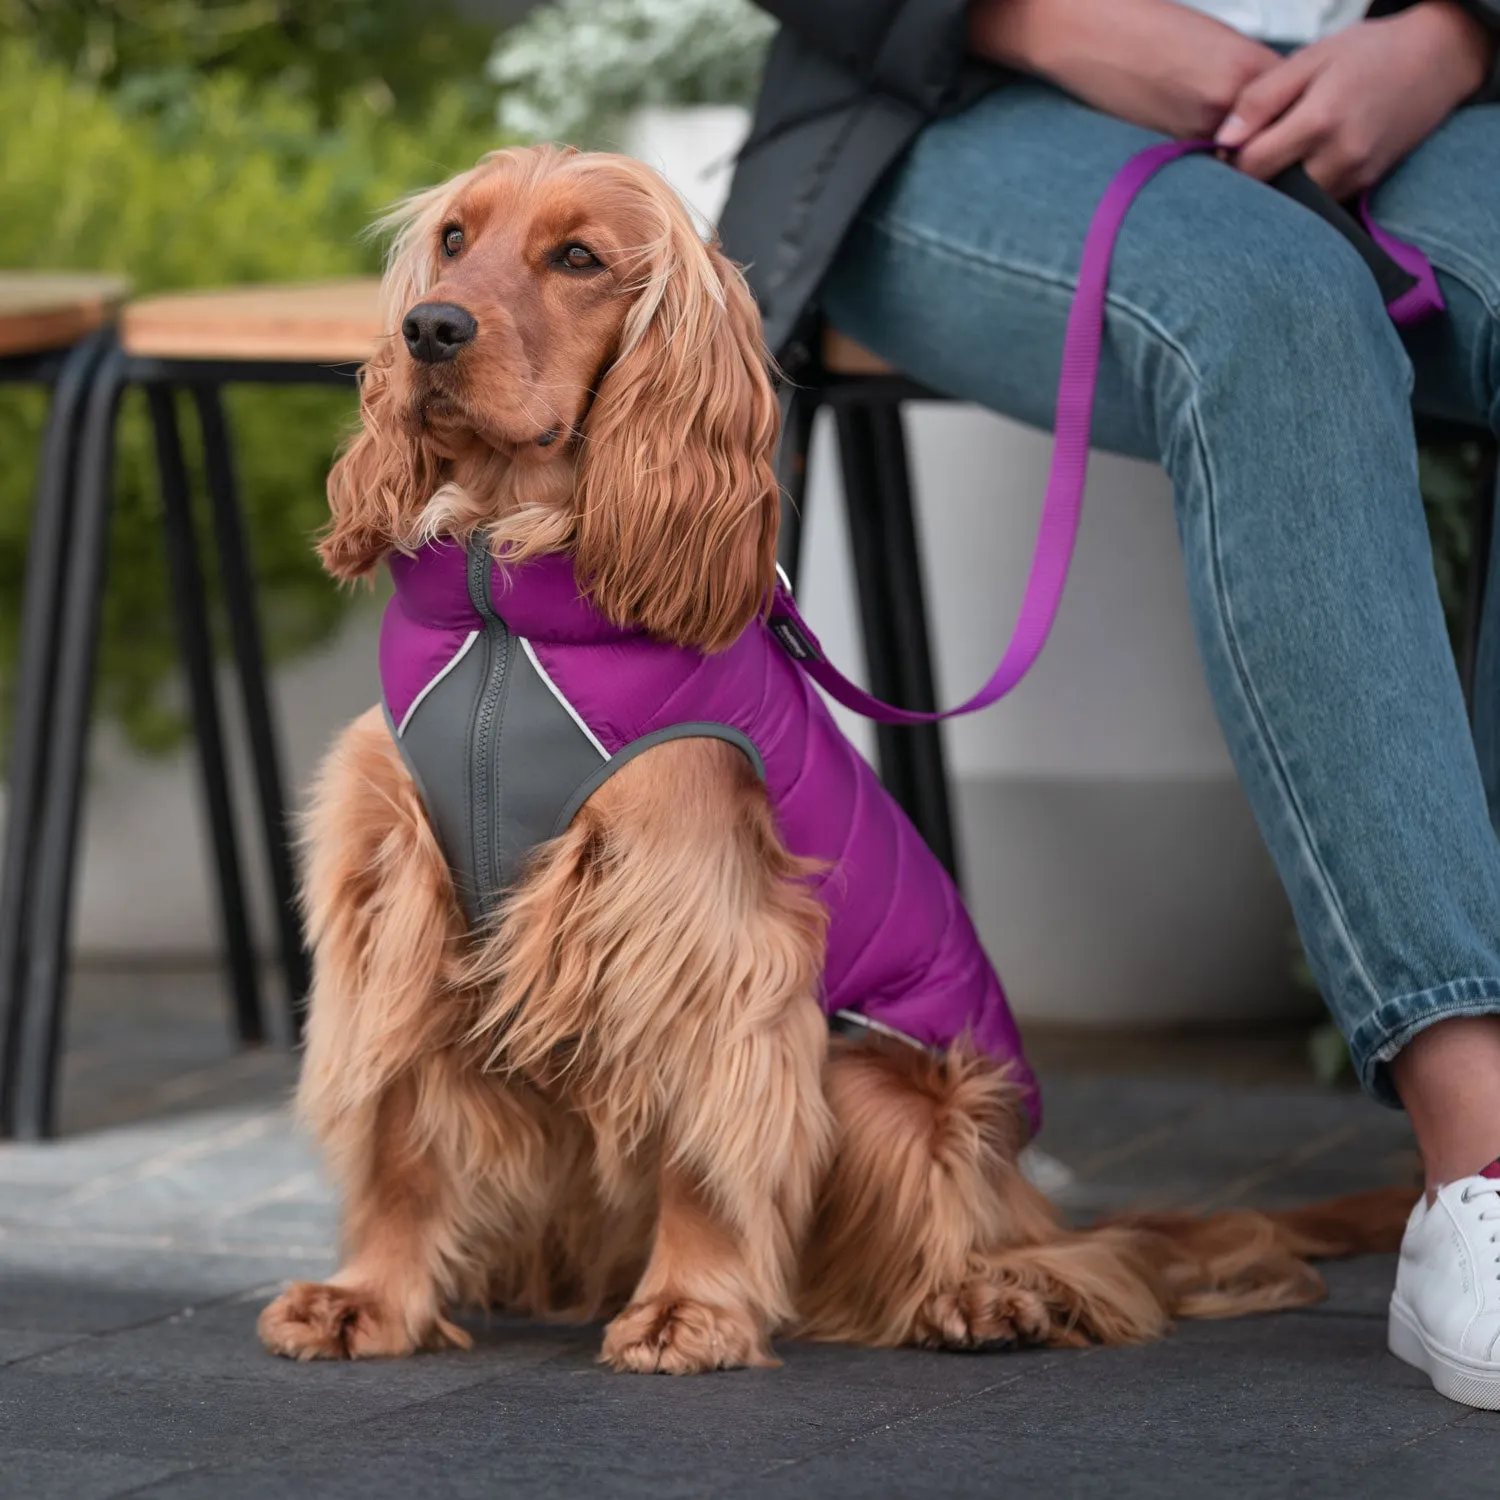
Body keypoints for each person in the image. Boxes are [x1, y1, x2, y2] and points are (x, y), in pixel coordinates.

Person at [718, 0, 1500, 1407]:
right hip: (952, 112)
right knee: (1273, 308)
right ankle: (1483, 1160)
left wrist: (1454, 38)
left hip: (1406, 92)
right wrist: (1045, 22)